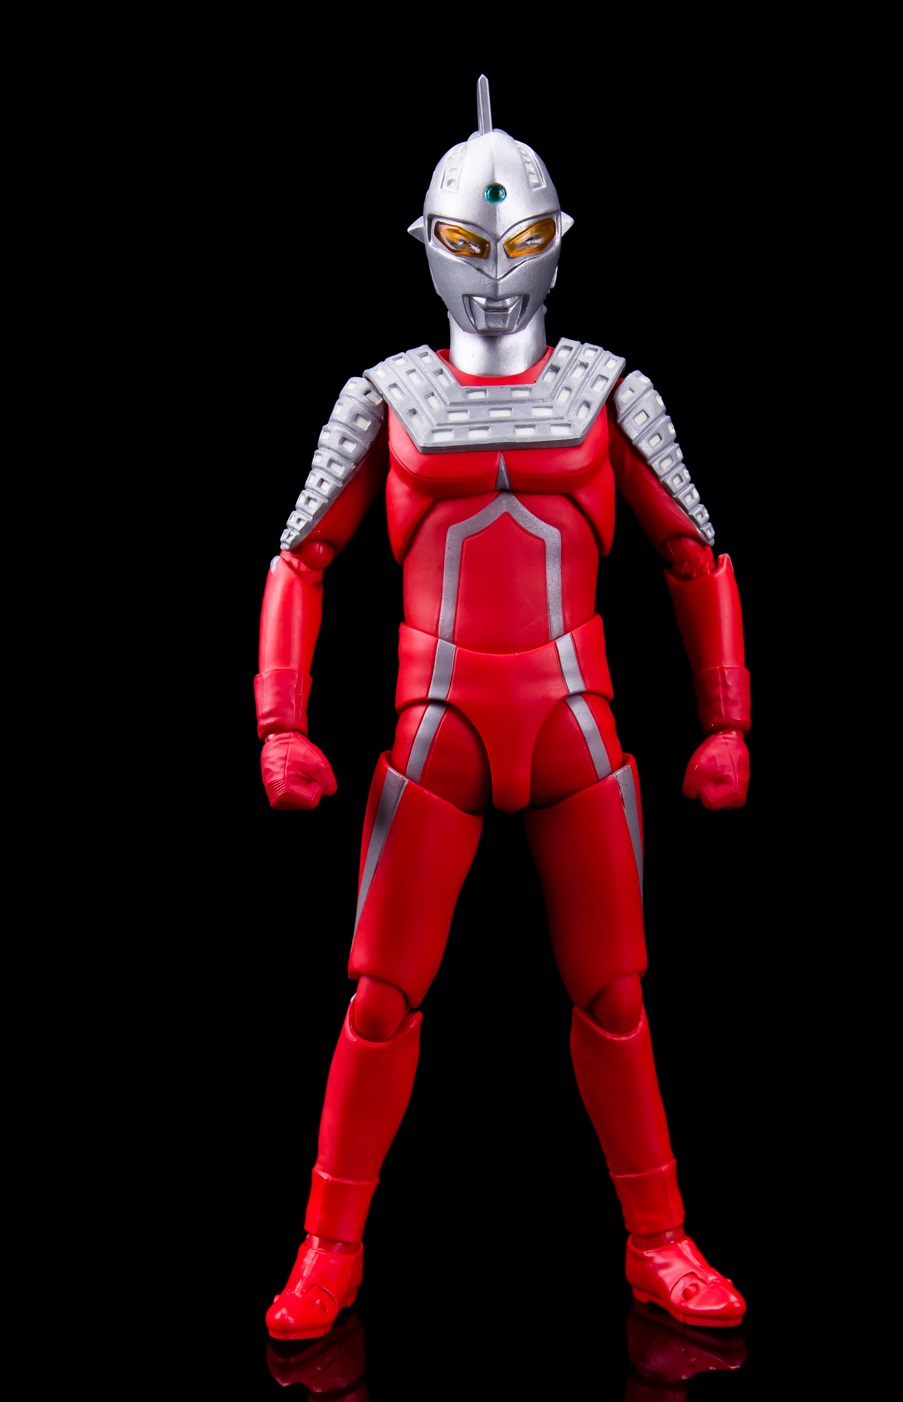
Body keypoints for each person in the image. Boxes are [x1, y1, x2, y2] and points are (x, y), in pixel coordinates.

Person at [255, 75, 750, 1341]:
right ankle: (327, 1246)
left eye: (518, 242)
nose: (493, 275)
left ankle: (659, 1237)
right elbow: (302, 558)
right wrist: (281, 720)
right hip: (438, 737)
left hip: (577, 732)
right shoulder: (384, 397)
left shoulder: (610, 389)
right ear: (428, 245)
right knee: (379, 1001)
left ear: (557, 242)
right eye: (470, 246)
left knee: (617, 998)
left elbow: (694, 554)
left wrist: (727, 719)